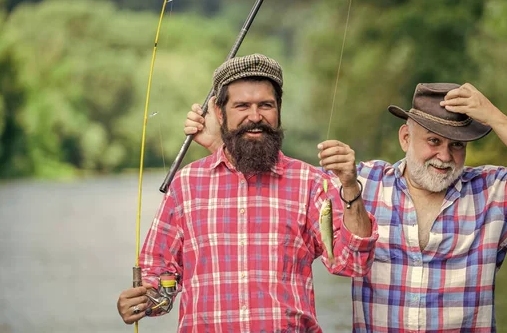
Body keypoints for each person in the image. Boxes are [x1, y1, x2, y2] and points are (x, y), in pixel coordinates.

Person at [184, 82, 507, 332]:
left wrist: (494, 115)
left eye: (456, 145)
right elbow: (282, 187)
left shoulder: (491, 191)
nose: (445, 155)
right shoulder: (363, 183)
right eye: (433, 141)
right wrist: (223, 147)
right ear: (406, 137)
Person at [117, 54, 379, 332]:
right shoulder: (186, 184)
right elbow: (159, 277)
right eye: (242, 105)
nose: (255, 116)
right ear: (219, 113)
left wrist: (350, 186)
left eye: (265, 105)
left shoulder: (311, 182)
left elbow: (353, 264)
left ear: (278, 109)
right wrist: (142, 302)